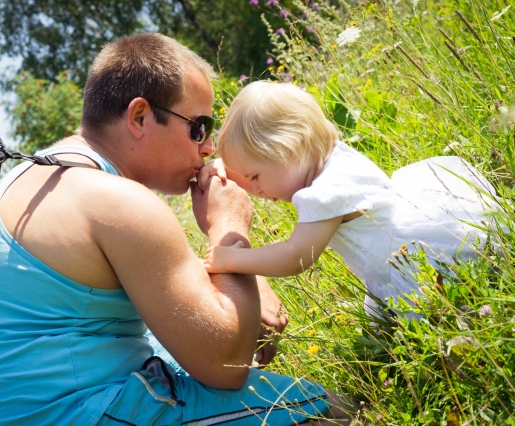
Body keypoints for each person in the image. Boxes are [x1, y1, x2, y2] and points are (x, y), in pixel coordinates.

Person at [0, 34, 352, 425]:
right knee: (327, 407)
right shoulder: (116, 202)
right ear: (139, 116)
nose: (208, 147)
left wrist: (236, 287)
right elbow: (229, 366)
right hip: (72, 414)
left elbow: (225, 332)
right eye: (199, 127)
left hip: (45, 409)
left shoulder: (37, 177)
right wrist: (228, 228)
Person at [201, 80, 497, 318]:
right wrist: (224, 169)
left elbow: (296, 257)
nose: (255, 190)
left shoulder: (323, 196)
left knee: (444, 313)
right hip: (405, 237)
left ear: (289, 152)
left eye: (254, 177)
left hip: (410, 264)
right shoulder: (334, 157)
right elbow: (262, 171)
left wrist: (233, 259)